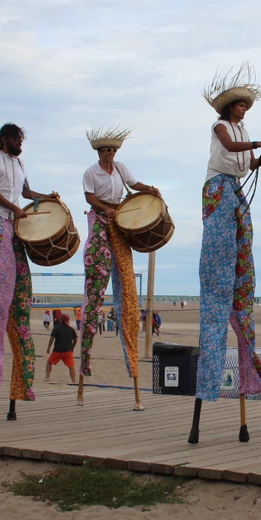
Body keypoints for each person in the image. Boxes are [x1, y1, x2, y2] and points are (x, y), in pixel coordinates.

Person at [195, 63, 261, 405]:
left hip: (236, 188)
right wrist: (258, 143)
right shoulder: (222, 126)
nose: (244, 108)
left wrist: (260, 158)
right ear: (230, 107)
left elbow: (245, 162)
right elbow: (228, 147)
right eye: (240, 105)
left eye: (246, 105)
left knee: (243, 259)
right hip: (218, 188)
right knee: (219, 261)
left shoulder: (244, 132)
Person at [0, 123, 58, 415]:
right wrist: (14, 208)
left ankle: (18, 390)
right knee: (0, 295)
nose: (20, 141)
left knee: (21, 295)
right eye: (16, 138)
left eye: (22, 137)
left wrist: (46, 198)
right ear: (5, 140)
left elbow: (27, 191)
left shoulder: (19, 162)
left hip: (13, 223)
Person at [79, 127, 160, 389]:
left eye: (113, 150)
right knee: (99, 271)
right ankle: (86, 357)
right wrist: (106, 210)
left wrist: (149, 188)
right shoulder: (91, 172)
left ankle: (131, 355)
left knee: (125, 279)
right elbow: (90, 198)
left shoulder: (121, 167)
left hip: (119, 218)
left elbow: (134, 185)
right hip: (101, 218)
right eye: (107, 150)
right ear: (99, 152)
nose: (110, 154)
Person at [46, 313, 78, 383]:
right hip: (68, 351)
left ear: (61, 320)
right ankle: (74, 381)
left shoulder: (56, 328)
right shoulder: (71, 329)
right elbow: (75, 340)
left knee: (49, 363)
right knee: (71, 367)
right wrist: (72, 348)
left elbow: (52, 338)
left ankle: (47, 377)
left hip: (57, 350)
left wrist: (48, 347)